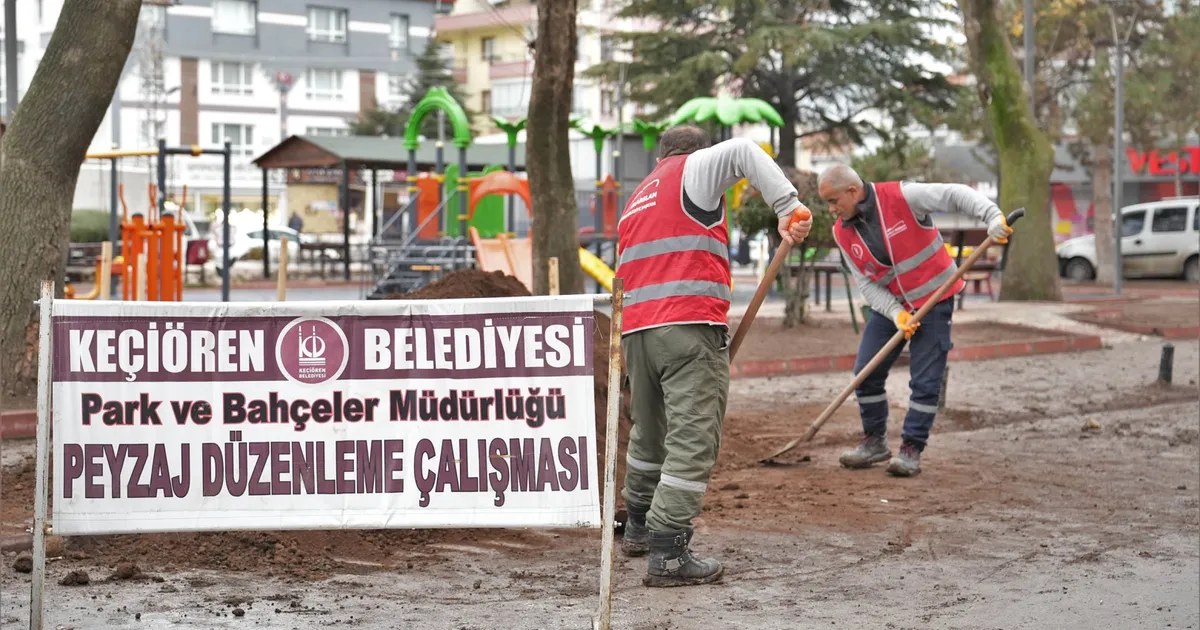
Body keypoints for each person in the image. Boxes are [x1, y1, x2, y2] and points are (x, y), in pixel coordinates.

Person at [616, 125, 813, 587]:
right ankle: (668, 551)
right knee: (692, 437)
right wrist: (788, 206)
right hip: (685, 326)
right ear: (695, 152)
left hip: (636, 333)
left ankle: (640, 525)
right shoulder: (694, 169)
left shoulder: (639, 196)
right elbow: (745, 149)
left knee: (649, 432)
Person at [793, 164, 1011, 478]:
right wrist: (897, 314)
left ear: (852, 191)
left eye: (833, 201)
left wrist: (991, 216)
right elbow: (867, 285)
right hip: (892, 307)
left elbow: (955, 193)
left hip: (935, 299)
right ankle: (874, 442)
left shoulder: (903, 196)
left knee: (925, 381)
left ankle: (911, 448)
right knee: (865, 372)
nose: (830, 209)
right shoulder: (842, 231)